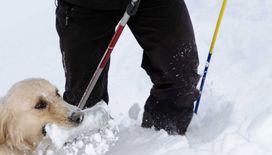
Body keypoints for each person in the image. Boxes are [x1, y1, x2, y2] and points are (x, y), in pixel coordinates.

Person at [55, 0, 200, 135]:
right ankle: (89, 153)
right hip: (88, 5)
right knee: (85, 104)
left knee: (181, 77)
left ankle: (163, 141)